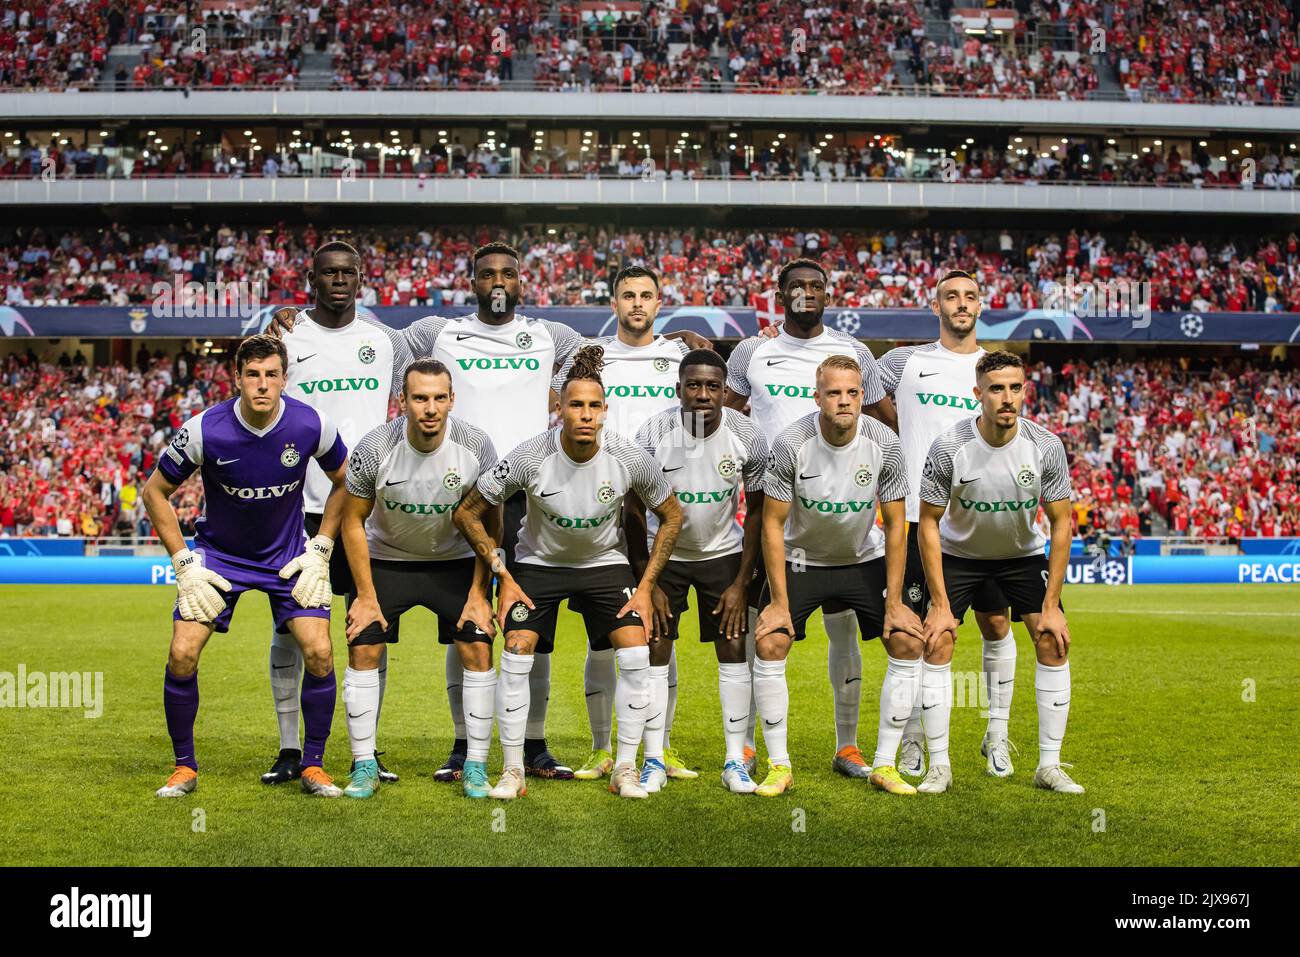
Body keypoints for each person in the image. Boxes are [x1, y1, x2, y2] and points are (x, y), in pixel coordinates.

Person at [452, 346, 684, 799]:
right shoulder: (530, 455)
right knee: (517, 652)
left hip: (604, 564)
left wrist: (645, 588)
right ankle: (513, 771)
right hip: (540, 565)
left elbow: (672, 516)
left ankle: (625, 769)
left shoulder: (630, 457)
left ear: (604, 411)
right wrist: (504, 576)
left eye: (594, 406)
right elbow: (466, 513)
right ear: (558, 407)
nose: (585, 414)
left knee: (636, 654)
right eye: (575, 405)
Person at [144, 334, 349, 799]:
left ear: (284, 378)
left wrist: (321, 547)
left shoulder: (311, 423)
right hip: (220, 559)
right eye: (252, 375)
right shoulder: (204, 429)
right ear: (236, 378)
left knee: (319, 652)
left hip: (285, 558)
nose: (262, 385)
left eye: (271, 375)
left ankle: (313, 765)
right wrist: (184, 563)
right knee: (182, 654)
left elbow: (346, 480)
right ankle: (183, 768)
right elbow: (155, 492)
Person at [726, 258, 894, 780]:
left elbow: (888, 421)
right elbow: (726, 416)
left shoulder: (854, 353)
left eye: (815, 286)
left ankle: (848, 749)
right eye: (795, 286)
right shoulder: (753, 351)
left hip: (846, 519)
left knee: (844, 633)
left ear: (827, 293)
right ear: (780, 294)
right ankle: (750, 746)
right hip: (774, 513)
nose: (805, 293)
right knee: (765, 627)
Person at [262, 241, 413, 787]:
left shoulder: (382, 341)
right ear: (312, 278)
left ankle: (365, 752)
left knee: (368, 626)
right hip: (296, 509)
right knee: (292, 631)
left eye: (349, 273)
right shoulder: (285, 335)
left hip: (368, 512)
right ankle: (288, 747)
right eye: (330, 273)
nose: (340, 280)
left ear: (362, 278)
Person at [552, 264, 696, 783]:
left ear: (660, 303)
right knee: (602, 634)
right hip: (601, 504)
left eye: (647, 296)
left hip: (658, 501)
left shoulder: (679, 354)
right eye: (628, 295)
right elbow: (563, 414)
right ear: (613, 303)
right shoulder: (591, 357)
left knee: (660, 630)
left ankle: (662, 744)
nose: (637, 303)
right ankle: (600, 748)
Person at [753, 354, 921, 797]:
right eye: (834, 393)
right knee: (771, 640)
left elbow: (897, 524)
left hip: (861, 558)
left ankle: (883, 764)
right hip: (803, 559)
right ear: (817, 396)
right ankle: (778, 765)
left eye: (852, 393)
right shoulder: (792, 442)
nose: (844, 401)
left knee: (905, 639)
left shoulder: (884, 440)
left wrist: (896, 600)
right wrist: (777, 599)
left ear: (863, 396)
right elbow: (772, 523)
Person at [917, 350, 1084, 794]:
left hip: (1021, 557)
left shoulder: (1045, 445)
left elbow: (1062, 521)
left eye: (1014, 388)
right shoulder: (949, 447)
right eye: (996, 389)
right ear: (978, 395)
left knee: (1052, 640)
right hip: (960, 555)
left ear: (1024, 391)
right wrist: (938, 604)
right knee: (936, 641)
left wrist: (1051, 606)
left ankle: (1046, 764)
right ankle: (940, 765)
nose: (1006, 398)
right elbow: (928, 522)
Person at [338, 359, 501, 799]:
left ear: (452, 400)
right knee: (364, 645)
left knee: (477, 646)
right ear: (403, 401)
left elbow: (492, 520)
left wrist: (479, 594)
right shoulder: (375, 447)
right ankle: (364, 764)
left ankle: (476, 766)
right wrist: (366, 595)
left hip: (455, 561)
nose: (430, 408)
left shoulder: (476, 445)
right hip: (387, 561)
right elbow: (352, 522)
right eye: (419, 398)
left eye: (438, 398)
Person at [877, 269, 1016, 781]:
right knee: (916, 635)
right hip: (919, 520)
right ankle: (912, 735)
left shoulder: (997, 370)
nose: (961, 304)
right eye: (951, 297)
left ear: (981, 306)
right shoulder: (904, 361)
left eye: (970, 296)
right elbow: (850, 383)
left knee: (996, 624)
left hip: (985, 522)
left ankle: (997, 733)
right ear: (935, 306)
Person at [628, 348, 768, 793]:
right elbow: (631, 509)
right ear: (678, 390)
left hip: (721, 556)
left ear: (725, 392)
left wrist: (742, 583)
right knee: (654, 650)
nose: (703, 394)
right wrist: (645, 582)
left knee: (732, 650)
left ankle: (734, 761)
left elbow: (761, 512)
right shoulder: (653, 432)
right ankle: (653, 759)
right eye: (694, 385)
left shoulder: (747, 433)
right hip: (662, 557)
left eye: (712, 386)